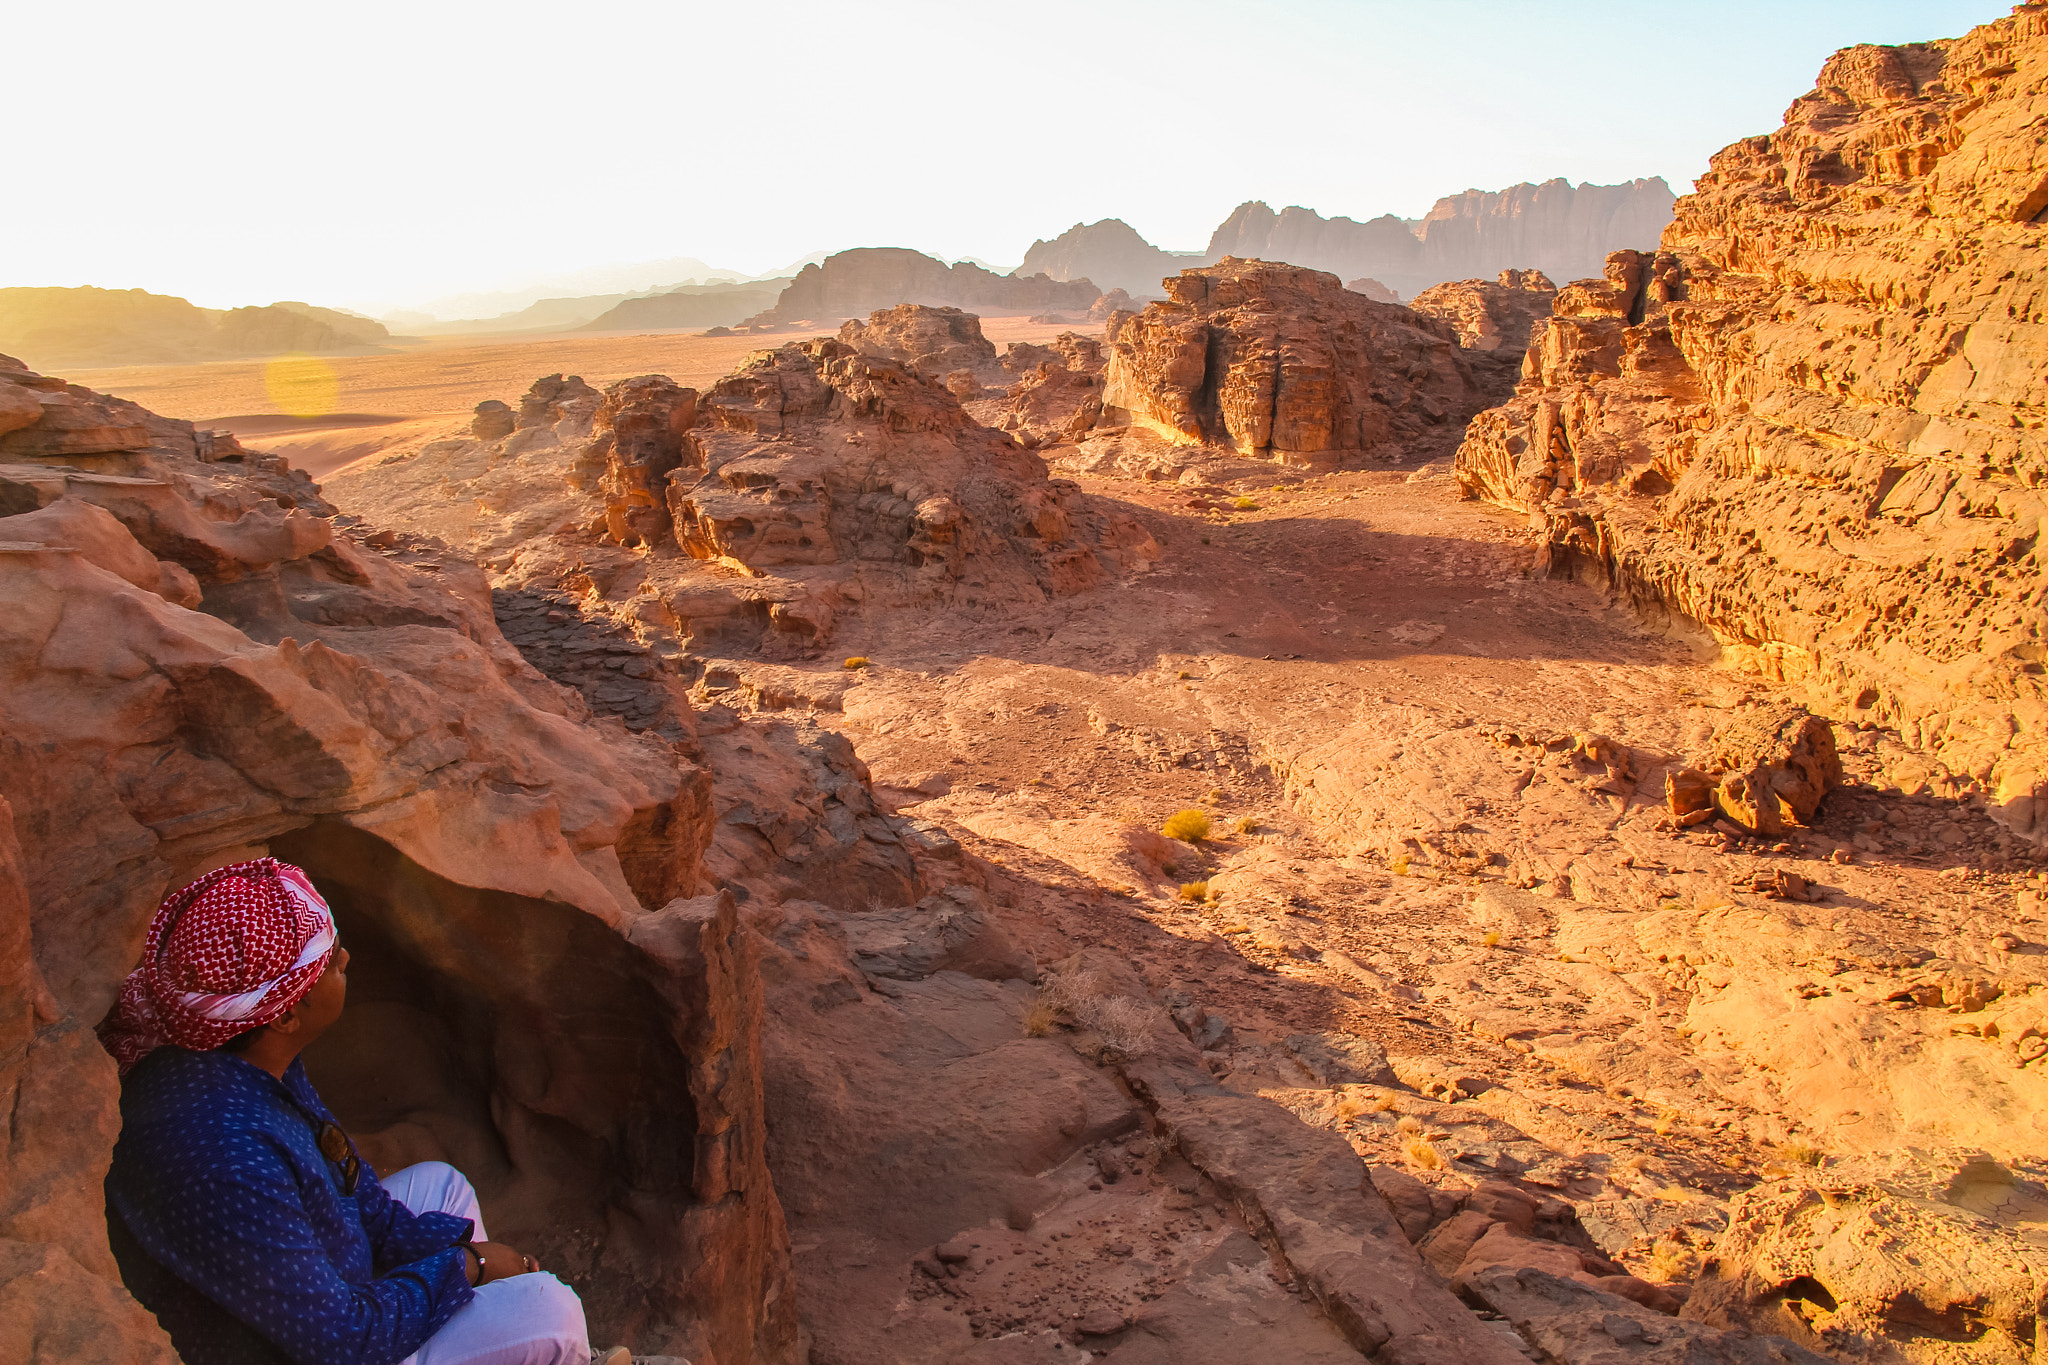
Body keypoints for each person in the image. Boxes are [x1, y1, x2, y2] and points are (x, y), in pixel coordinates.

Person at [99, 857, 628, 1365]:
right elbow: (340, 1343)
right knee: (552, 1312)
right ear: (284, 1016)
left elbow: (358, 1197)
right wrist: (469, 1266)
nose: (345, 959)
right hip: (299, 1345)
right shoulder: (225, 1160)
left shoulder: (249, 1056)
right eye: (328, 960)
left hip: (317, 1283)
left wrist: (458, 1254)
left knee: (444, 1188)